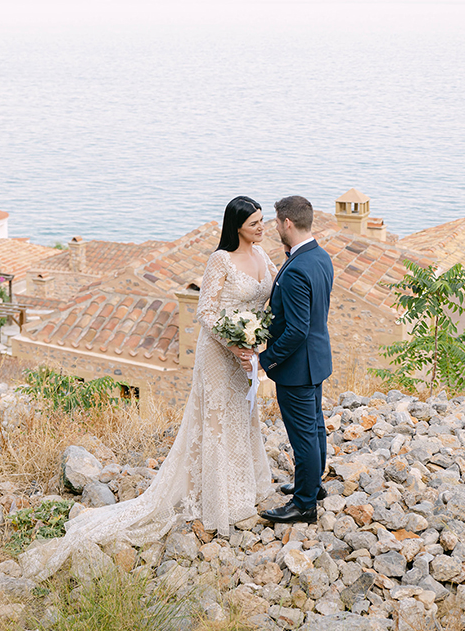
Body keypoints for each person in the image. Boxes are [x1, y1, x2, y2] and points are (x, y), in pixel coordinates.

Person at [20, 196, 277, 581]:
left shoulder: (264, 257)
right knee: (216, 421)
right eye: (255, 222)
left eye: (263, 221)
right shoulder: (220, 260)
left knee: (243, 414)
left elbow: (267, 304)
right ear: (237, 225)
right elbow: (205, 313)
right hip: (218, 354)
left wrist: (257, 343)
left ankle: (243, 488)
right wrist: (236, 342)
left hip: (246, 356)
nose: (262, 227)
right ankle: (217, 501)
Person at [259, 195, 333, 525]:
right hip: (316, 360)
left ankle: (304, 505)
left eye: (276, 222)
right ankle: (312, 486)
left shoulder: (296, 271)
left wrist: (268, 360)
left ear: (287, 223)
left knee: (303, 435)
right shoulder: (320, 257)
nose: (274, 227)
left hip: (296, 368)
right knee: (315, 427)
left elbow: (297, 329)